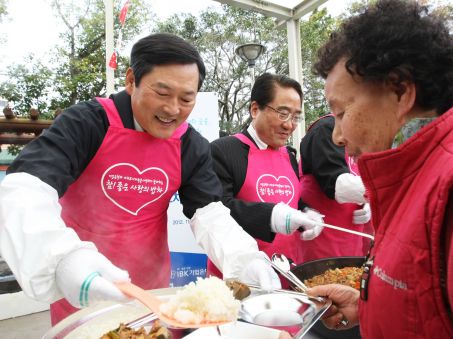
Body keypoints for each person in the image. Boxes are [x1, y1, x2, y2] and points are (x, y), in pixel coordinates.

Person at [0, 33, 279, 325]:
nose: (173, 109)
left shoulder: (189, 145)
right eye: (162, 93)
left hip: (152, 294)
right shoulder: (87, 122)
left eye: (186, 98)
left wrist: (245, 258)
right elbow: (27, 187)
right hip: (84, 285)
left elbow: (209, 213)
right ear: (132, 80)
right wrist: (63, 258)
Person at [301, 0, 453, 338]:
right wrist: (368, 305)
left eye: (341, 112)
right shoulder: (420, 171)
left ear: (400, 92)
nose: (337, 136)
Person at [207, 73, 324, 278]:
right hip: (240, 278)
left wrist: (306, 213)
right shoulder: (224, 150)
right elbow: (215, 211)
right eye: (282, 113)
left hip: (288, 272)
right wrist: (272, 216)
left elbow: (291, 200)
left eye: (295, 116)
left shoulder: (288, 155)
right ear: (255, 109)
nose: (289, 125)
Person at [299, 113, 373, 262]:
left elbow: (363, 176)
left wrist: (368, 203)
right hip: (323, 236)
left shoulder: (362, 134)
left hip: (353, 237)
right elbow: (337, 184)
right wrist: (379, 191)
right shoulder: (325, 128)